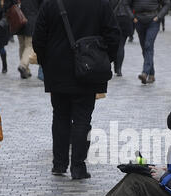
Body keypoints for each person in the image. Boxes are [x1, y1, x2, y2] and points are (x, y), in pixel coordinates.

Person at [32, 0, 120, 179]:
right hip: (88, 71)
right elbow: (113, 36)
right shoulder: (100, 4)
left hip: (57, 70)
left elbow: (38, 38)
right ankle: (78, 167)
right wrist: (101, 60)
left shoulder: (51, 3)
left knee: (60, 116)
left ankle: (59, 164)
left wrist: (46, 62)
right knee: (82, 119)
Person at [127, 0, 170, 84]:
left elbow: (167, 4)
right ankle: (152, 74)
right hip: (139, 21)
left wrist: (159, 17)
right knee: (145, 48)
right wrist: (132, 17)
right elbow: (125, 4)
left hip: (153, 21)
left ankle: (145, 73)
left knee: (148, 45)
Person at [16, 0, 42, 79]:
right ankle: (23, 65)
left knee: (22, 46)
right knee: (29, 46)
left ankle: (26, 70)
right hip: (31, 20)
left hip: (19, 20)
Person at [110, 0, 132, 77]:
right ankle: (118, 68)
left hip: (114, 19)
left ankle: (116, 67)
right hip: (126, 19)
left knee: (115, 44)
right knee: (121, 45)